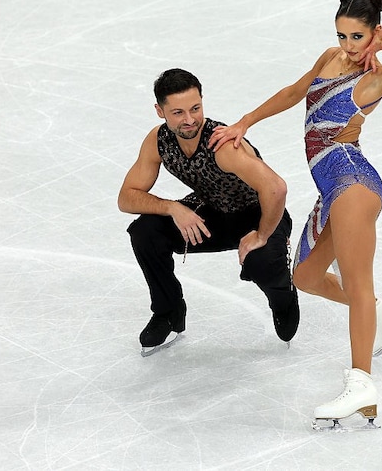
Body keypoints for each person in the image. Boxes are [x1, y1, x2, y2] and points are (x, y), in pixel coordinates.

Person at [209, 0, 382, 425]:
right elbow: (295, 92)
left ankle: (362, 386)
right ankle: (381, 313)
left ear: (373, 33)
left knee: (357, 283)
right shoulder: (330, 57)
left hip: (353, 184)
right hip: (330, 192)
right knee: (305, 277)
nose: (349, 45)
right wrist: (245, 122)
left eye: (358, 36)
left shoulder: (374, 78)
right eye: (342, 35)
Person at [118, 68, 299, 356]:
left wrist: (263, 235)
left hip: (259, 215)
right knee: (145, 232)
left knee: (262, 262)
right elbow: (126, 197)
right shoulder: (158, 141)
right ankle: (169, 312)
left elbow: (276, 189)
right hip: (211, 213)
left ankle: (283, 298)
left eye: (195, 108)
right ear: (160, 111)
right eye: (178, 112)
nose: (190, 119)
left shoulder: (222, 145)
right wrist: (172, 207)